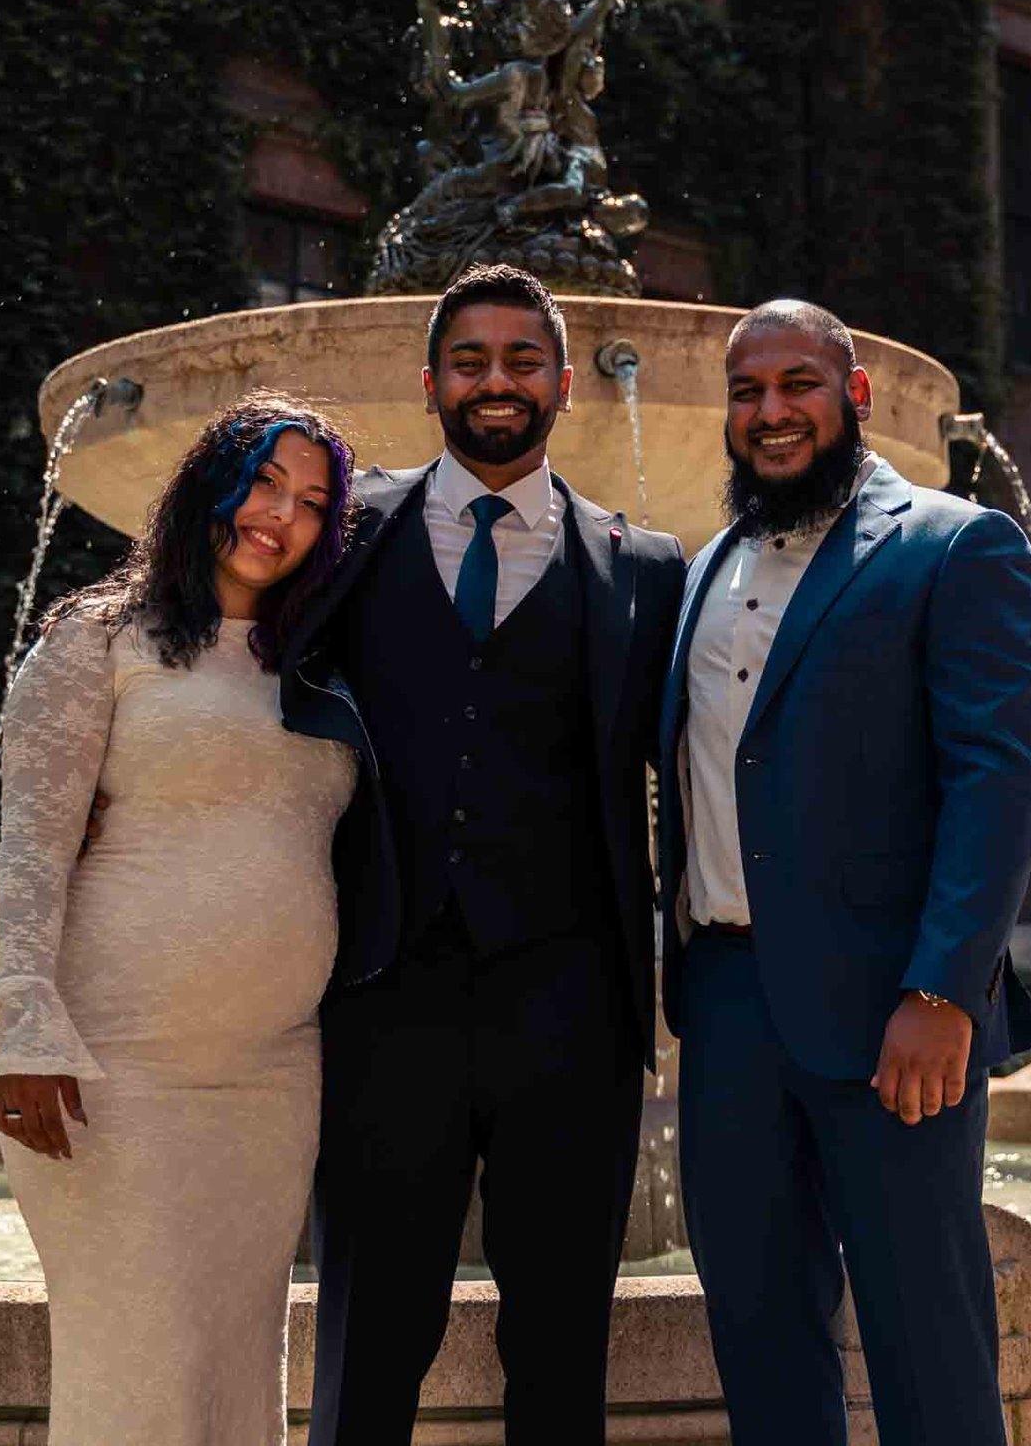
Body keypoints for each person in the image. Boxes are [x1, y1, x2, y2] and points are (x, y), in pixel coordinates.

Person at [283, 263, 686, 1446]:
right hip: (382, 1001)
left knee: (561, 1346)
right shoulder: (345, 535)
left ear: (562, 382)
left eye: (521, 360)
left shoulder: (646, 569)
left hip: (574, 1011)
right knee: (368, 1343)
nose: (496, 381)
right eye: (470, 360)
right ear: (428, 384)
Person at [0, 390, 384, 1446]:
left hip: (274, 1075)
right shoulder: (98, 639)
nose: (281, 514)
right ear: (209, 487)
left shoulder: (318, 664)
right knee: (135, 1375)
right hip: (112, 1067)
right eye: (264, 482)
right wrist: (29, 1021)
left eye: (314, 501)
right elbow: (34, 847)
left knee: (238, 1374)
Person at [656, 299, 1031, 1446]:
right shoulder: (700, 568)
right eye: (748, 392)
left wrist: (943, 992)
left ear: (854, 396)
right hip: (725, 1006)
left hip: (896, 1013)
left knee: (927, 1343)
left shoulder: (954, 541)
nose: (771, 412)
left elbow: (999, 777)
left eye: (797, 385)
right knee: (760, 1333)